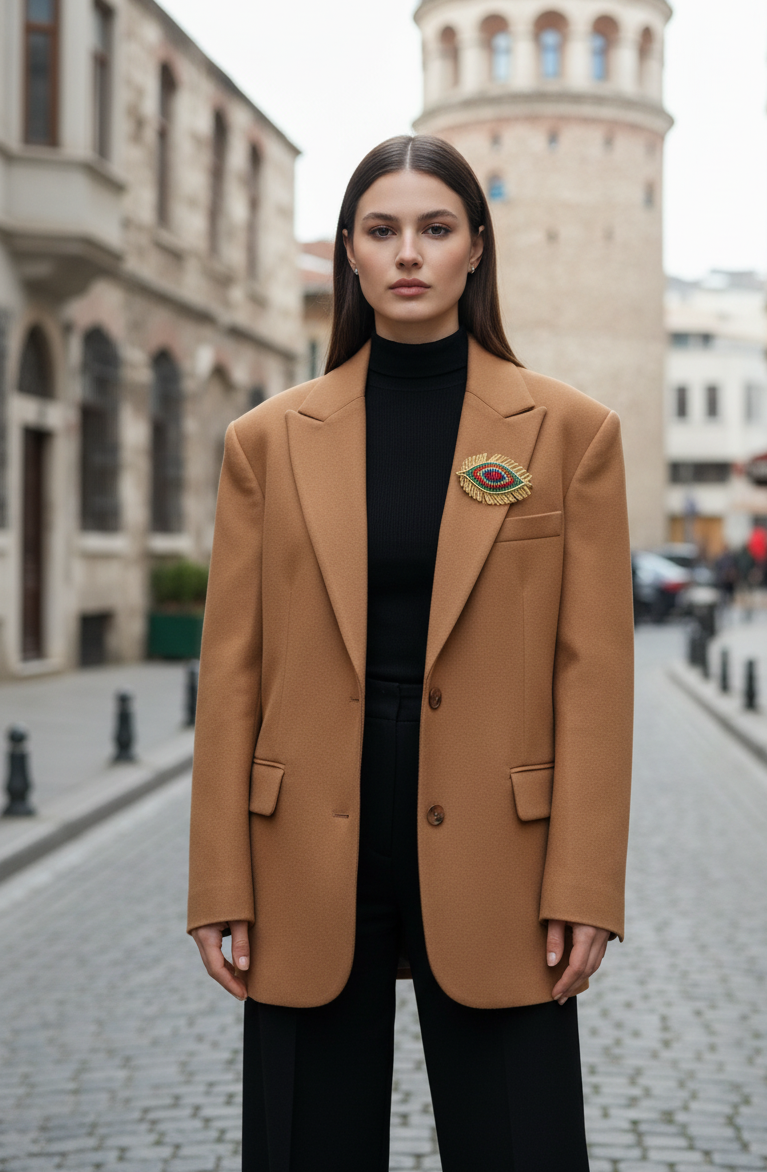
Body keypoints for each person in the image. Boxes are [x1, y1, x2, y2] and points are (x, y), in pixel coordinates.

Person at [187, 135, 634, 1172]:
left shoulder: (571, 434)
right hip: (305, 837)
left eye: (434, 229)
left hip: (502, 843)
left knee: (519, 1143)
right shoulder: (266, 441)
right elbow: (233, 673)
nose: (408, 254)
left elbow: (595, 679)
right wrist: (218, 882)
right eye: (382, 230)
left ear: (476, 247)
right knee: (307, 1143)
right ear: (349, 250)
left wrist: (584, 885)